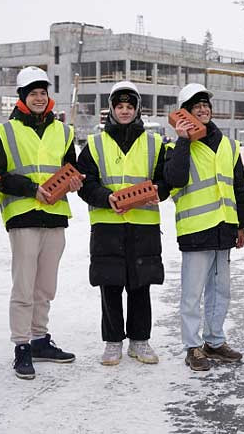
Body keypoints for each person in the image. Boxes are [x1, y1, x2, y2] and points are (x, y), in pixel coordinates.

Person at [0, 66, 82, 380]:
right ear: (22, 97)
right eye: (33, 93)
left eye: (43, 93)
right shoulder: (5, 132)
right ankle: (22, 346)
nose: (39, 98)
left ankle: (40, 339)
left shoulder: (63, 131)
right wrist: (31, 189)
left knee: (46, 286)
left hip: (55, 217)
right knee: (24, 285)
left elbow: (72, 169)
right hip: (23, 216)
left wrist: (75, 181)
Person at [77, 81, 169, 366]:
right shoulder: (94, 144)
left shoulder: (155, 143)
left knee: (141, 285)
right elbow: (84, 184)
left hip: (143, 226)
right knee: (111, 284)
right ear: (112, 110)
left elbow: (166, 180)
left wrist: (158, 193)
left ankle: (140, 341)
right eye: (120, 107)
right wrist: (107, 198)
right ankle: (113, 342)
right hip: (108, 225)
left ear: (137, 109)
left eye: (130, 107)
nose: (125, 111)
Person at [164, 83, 244, 371]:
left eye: (206, 105)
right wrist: (184, 140)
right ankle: (192, 346)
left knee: (220, 290)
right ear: (183, 113)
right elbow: (174, 180)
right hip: (196, 228)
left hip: (224, 228)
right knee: (192, 292)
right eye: (196, 106)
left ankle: (214, 341)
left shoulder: (229, 145)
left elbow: (238, 188)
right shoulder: (176, 146)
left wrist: (241, 226)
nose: (203, 109)